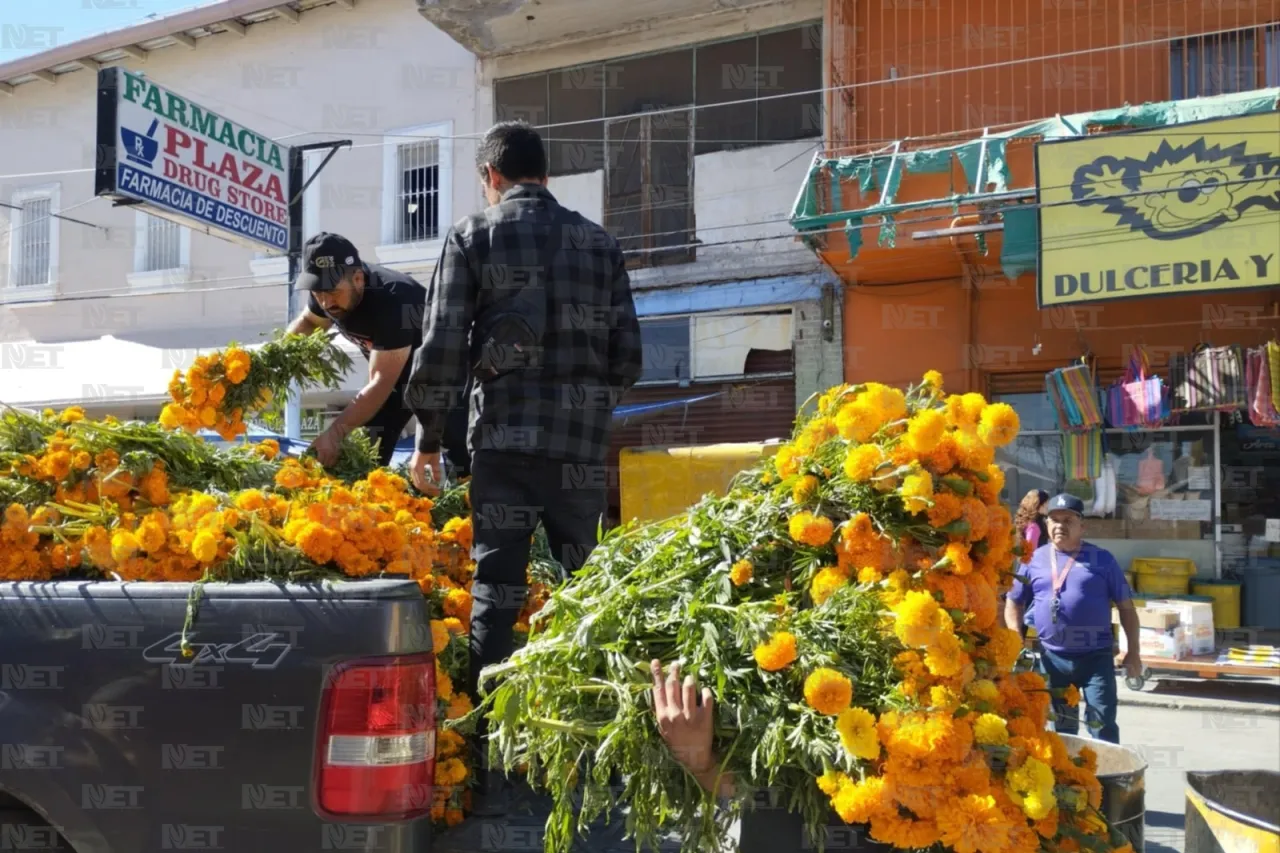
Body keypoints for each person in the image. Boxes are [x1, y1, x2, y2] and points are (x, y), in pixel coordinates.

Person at [404, 121, 643, 809]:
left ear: (491, 176)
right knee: (592, 596)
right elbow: (629, 359)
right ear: (545, 174)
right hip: (577, 451)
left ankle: (489, 760)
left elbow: (442, 345)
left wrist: (426, 439)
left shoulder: (474, 236)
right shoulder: (600, 244)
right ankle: (603, 748)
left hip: (505, 447)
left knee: (496, 597)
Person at [285, 232, 471, 474]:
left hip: (445, 379)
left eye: (331, 291)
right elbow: (309, 322)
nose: (324, 301)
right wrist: (277, 358)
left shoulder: (394, 300)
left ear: (359, 279)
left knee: (462, 460)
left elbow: (380, 382)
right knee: (363, 459)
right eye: (317, 291)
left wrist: (335, 432)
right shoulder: (325, 295)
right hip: (395, 384)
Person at [1004, 493, 1142, 743]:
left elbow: (1127, 608)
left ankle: (1106, 779)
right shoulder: (1033, 559)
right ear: (1046, 525)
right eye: (1054, 520)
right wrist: (1015, 638)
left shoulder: (1103, 560)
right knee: (1063, 731)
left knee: (1103, 726)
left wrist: (1133, 651)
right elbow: (1014, 600)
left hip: (1095, 659)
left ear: (1082, 526)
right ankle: (1071, 779)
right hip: (1052, 659)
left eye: (1068, 520)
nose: (1060, 526)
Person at [1014, 488, 1049, 553]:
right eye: (1046, 503)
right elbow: (1030, 553)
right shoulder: (1034, 527)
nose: (1048, 505)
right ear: (1039, 505)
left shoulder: (1033, 523)